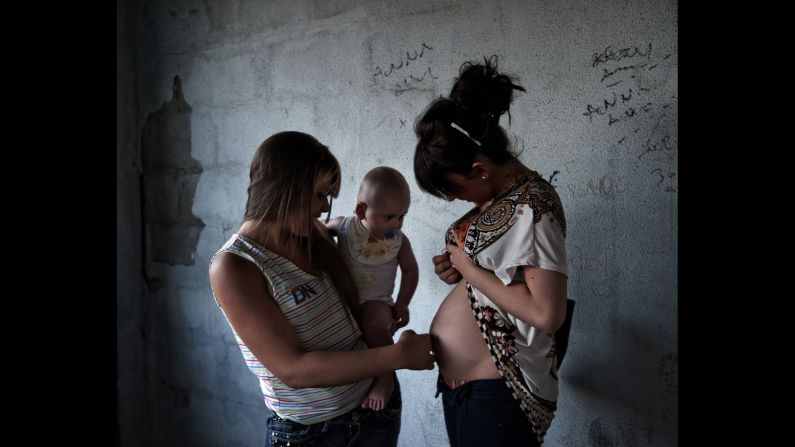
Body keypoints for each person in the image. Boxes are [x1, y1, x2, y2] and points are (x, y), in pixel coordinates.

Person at [208, 131, 435, 447]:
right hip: (311, 434)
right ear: (288, 189)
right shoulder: (235, 266)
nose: (325, 205)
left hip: (375, 412)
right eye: (320, 194)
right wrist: (398, 356)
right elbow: (294, 370)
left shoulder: (315, 239)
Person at [413, 57, 569, 446]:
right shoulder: (499, 200)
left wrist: (468, 267)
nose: (451, 199)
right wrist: (456, 270)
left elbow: (546, 313)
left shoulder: (534, 206)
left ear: (480, 169)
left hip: (501, 393)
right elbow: (496, 276)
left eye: (453, 188)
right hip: (464, 389)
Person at [324, 166, 419, 411]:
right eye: (389, 217)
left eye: (402, 216)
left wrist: (402, 303)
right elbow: (322, 230)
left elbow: (410, 270)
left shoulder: (398, 242)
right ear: (360, 210)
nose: (397, 224)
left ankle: (385, 377)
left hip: (377, 301)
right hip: (344, 301)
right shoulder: (345, 227)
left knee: (374, 324)